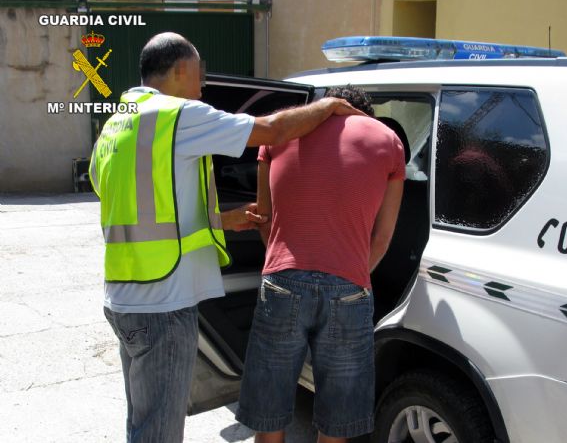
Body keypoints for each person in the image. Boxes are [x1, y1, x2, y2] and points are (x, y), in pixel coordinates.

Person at [88, 32, 364, 443]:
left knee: (143, 425)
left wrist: (219, 220)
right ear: (181, 69)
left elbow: (142, 208)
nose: (203, 88)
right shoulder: (177, 115)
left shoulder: (117, 124)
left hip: (124, 301)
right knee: (158, 434)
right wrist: (325, 107)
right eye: (200, 76)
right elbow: (270, 130)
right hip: (162, 306)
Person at [235, 85, 405, 443]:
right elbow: (383, 237)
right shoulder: (389, 141)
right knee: (335, 422)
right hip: (349, 287)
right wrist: (353, 271)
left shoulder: (281, 132)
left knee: (269, 414)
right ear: (363, 114)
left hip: (282, 281)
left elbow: (263, 218)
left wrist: (283, 258)